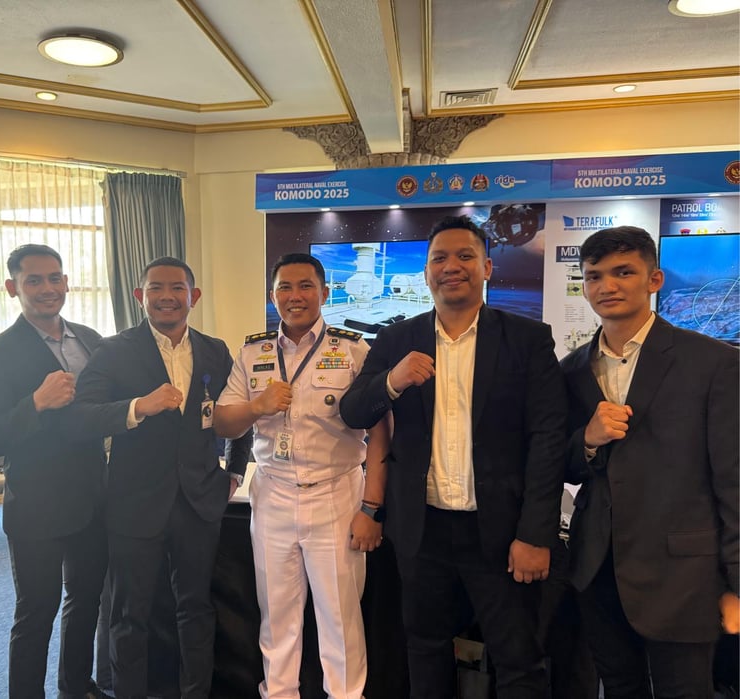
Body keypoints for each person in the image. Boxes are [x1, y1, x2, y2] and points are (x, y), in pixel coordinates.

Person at [339, 215, 567, 698]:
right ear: (425, 272)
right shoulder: (397, 340)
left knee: (518, 660)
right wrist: (391, 381)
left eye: (465, 256)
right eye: (439, 258)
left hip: (502, 532)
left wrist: (535, 534)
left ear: (487, 267)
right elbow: (354, 411)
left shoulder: (528, 339)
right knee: (424, 652)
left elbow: (548, 439)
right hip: (422, 532)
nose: (451, 267)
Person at [561, 225, 739, 698]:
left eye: (623, 272)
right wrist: (587, 440)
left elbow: (734, 481)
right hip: (597, 568)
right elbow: (561, 464)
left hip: (683, 576)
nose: (607, 286)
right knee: (619, 688)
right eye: (594, 276)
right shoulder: (572, 369)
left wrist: (737, 584)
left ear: (654, 279)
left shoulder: (713, 363)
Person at [62, 257, 250, 699]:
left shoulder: (215, 350)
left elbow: (239, 412)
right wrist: (137, 407)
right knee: (130, 614)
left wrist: (235, 470)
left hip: (199, 502)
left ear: (193, 296)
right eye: (156, 288)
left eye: (177, 288)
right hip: (134, 504)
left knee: (196, 608)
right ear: (139, 296)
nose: (167, 296)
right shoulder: (114, 350)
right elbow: (80, 418)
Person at [214, 252, 388, 699]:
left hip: (336, 493)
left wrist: (371, 507)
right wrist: (257, 405)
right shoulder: (252, 353)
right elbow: (224, 422)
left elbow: (380, 432)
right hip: (272, 494)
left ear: (325, 292)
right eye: (285, 288)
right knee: (277, 616)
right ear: (273, 296)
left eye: (305, 286)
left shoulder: (353, 350)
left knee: (340, 617)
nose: (295, 296)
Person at [0, 244, 107, 698]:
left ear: (66, 282)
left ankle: (76, 687)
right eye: (34, 280)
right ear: (13, 288)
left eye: (54, 278)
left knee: (86, 602)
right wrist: (35, 403)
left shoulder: (91, 339)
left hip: (94, 498)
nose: (47, 288)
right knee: (36, 614)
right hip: (37, 506)